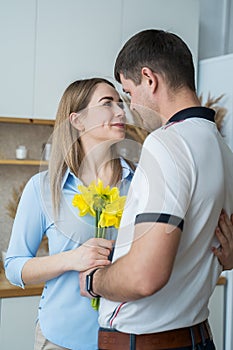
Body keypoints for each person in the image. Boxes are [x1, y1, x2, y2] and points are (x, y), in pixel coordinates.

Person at [79, 29, 233, 350]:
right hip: (196, 335)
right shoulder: (221, 149)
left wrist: (95, 281)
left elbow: (144, 277)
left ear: (149, 79)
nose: (130, 107)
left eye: (128, 91)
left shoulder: (167, 143)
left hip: (149, 342)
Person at [4, 77, 136, 350]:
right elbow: (15, 267)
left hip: (127, 336)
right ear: (77, 121)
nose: (120, 111)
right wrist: (73, 259)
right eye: (107, 103)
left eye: (120, 102)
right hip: (61, 338)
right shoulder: (43, 188)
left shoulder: (140, 183)